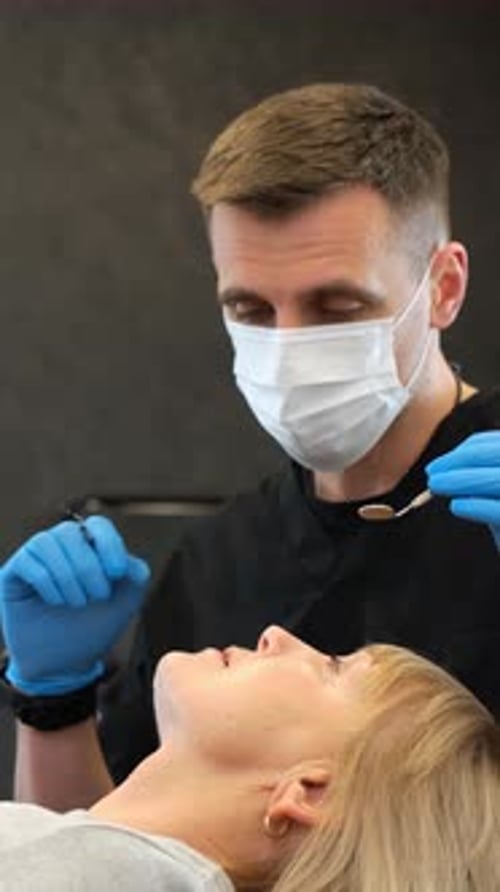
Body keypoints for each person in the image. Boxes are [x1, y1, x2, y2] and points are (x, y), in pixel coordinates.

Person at [3, 82, 500, 803]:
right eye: (250, 308)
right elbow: (99, 856)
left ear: (445, 288)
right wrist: (53, 700)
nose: (288, 346)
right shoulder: (219, 565)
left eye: (338, 306)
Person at [0, 568, 499, 891]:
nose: (276, 636)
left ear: (309, 791)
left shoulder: (110, 875)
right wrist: (53, 697)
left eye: (331, 667)